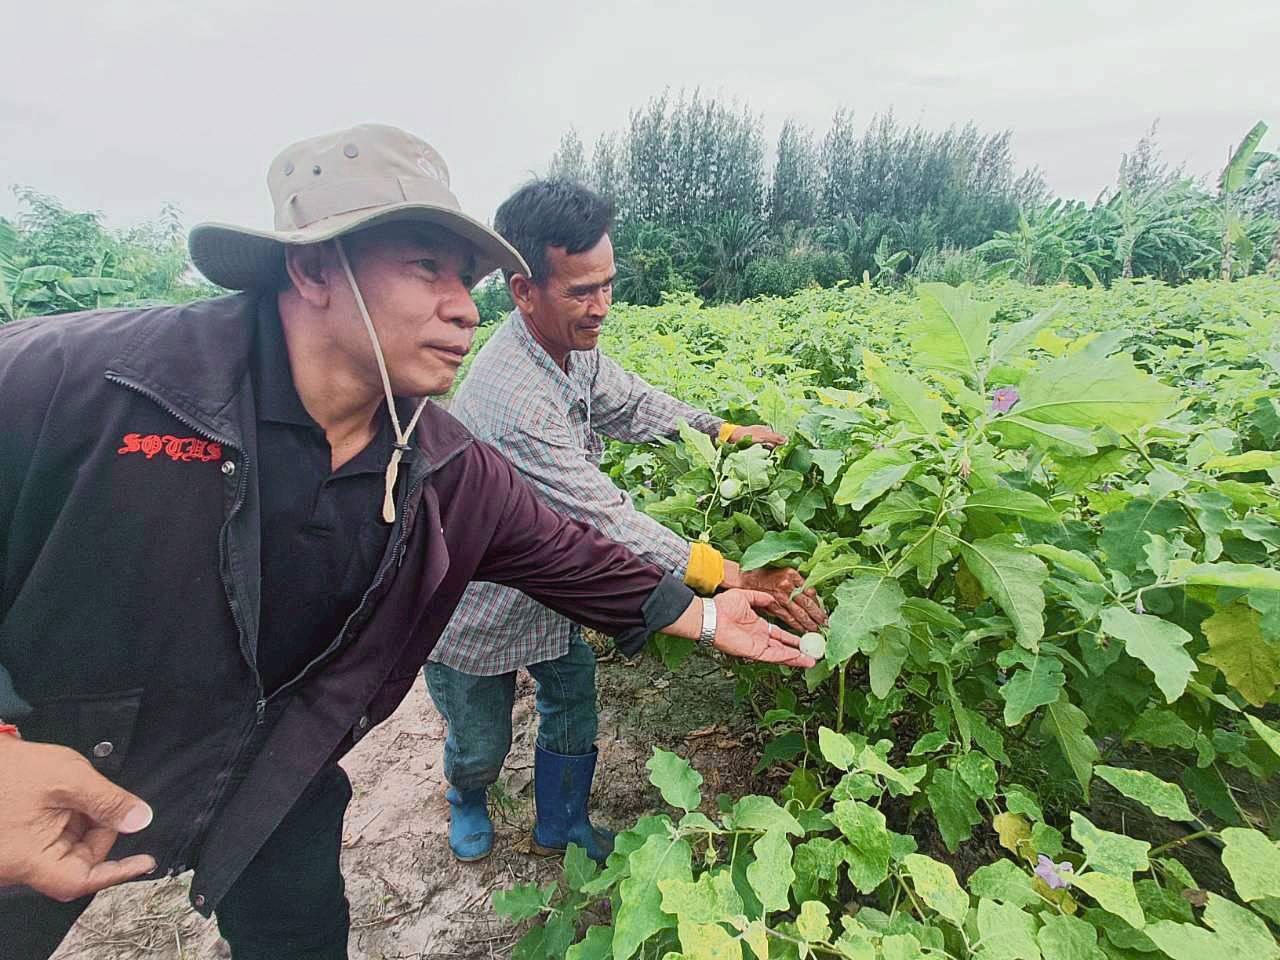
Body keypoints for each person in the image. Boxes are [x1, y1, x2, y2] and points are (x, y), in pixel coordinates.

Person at [0, 124, 815, 960]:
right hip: (46, 766)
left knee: (302, 936)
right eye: (427, 267)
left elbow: (571, 551)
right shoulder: (86, 383)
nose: (464, 305)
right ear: (313, 267)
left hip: (274, 768)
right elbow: (600, 514)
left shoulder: (439, 458)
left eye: (467, 278)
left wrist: (712, 616)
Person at [426, 179, 827, 864]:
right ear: (523, 290)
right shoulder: (512, 397)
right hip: (474, 603)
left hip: (557, 583)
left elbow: (638, 405)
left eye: (608, 284)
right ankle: (467, 792)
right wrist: (730, 574)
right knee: (480, 736)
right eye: (581, 291)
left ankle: (561, 824)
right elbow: (603, 518)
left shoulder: (571, 349)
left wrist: (724, 432)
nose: (601, 306)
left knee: (573, 702)